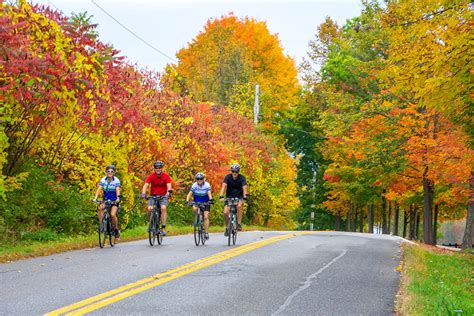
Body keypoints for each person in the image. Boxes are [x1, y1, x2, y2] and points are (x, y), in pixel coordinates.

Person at [140, 161, 173, 236]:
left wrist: (168, 193)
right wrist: (143, 193)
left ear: (162, 168)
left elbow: (169, 186)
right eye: (156, 168)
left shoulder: (166, 176)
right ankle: (152, 223)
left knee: (163, 208)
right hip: (153, 196)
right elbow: (146, 185)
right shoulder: (151, 176)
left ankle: (163, 227)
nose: (158, 169)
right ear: (154, 168)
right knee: (149, 208)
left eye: (159, 167)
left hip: (163, 196)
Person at [219, 163, 248, 236]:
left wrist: (245, 196)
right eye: (233, 171)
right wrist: (221, 195)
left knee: (239, 206)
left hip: (239, 196)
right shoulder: (227, 177)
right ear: (231, 171)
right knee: (225, 212)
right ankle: (228, 227)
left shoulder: (242, 178)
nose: (234, 173)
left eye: (236, 171)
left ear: (238, 172)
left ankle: (238, 224)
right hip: (229, 197)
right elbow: (224, 186)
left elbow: (244, 188)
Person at [94, 165, 121, 238]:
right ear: (106, 172)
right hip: (105, 199)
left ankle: (116, 229)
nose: (110, 173)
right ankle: (101, 225)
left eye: (112, 171)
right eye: (108, 171)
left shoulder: (116, 180)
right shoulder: (103, 180)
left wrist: (118, 198)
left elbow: (117, 190)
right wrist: (95, 198)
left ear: (114, 173)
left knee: (112, 215)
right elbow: (99, 189)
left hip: (114, 200)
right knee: (100, 208)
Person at [186, 172, 213, 240]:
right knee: (194, 208)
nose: (199, 180)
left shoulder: (207, 185)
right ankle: (197, 218)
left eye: (201, 179)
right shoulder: (194, 185)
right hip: (197, 201)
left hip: (206, 202)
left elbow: (209, 193)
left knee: (206, 217)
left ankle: (206, 232)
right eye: (198, 179)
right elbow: (190, 194)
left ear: (204, 179)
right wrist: (187, 201)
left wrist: (211, 200)